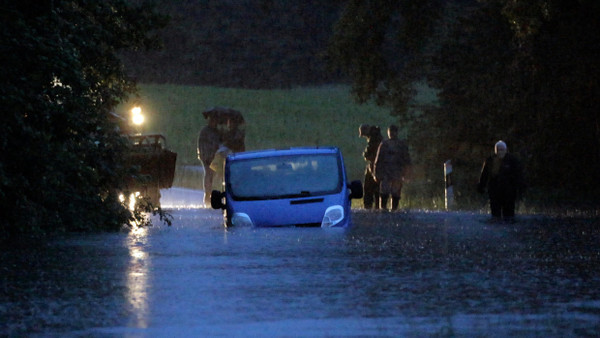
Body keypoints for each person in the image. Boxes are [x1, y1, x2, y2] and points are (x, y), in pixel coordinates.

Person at [477, 140, 525, 222]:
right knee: (495, 215)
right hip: (494, 192)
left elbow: (518, 176)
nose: (500, 152)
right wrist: (481, 187)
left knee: (509, 215)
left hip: (509, 192)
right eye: (499, 150)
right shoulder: (490, 160)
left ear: (506, 150)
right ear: (495, 151)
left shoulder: (512, 160)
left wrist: (520, 189)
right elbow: (484, 175)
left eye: (502, 150)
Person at [373, 125, 411, 210]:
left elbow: (406, 159)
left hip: (396, 171)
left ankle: (392, 208)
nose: (392, 134)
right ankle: (384, 208)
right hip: (387, 171)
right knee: (385, 191)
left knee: (395, 192)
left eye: (393, 132)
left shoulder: (399, 144)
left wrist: (406, 172)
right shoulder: (385, 144)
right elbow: (378, 160)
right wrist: (376, 173)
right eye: (391, 132)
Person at [197, 115, 221, 206]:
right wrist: (203, 155)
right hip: (207, 156)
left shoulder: (217, 132)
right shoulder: (205, 131)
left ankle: (212, 195)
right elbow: (201, 144)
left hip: (215, 156)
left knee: (213, 176)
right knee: (208, 175)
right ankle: (207, 195)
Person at [359, 124, 383, 209]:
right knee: (376, 188)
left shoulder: (374, 139)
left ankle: (369, 206)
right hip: (378, 166)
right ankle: (377, 206)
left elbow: (370, 154)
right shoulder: (376, 136)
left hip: (375, 166)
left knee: (369, 187)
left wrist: (366, 155)